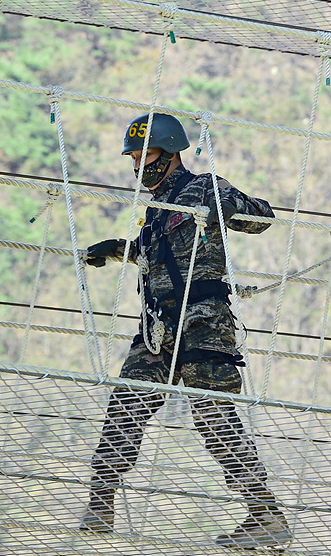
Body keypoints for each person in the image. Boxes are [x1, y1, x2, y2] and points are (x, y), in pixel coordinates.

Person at [79, 113, 291, 548]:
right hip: (158, 327)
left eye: (148, 155)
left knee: (214, 418)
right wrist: (119, 250)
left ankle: (266, 514)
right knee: (126, 406)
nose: (140, 166)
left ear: (172, 152)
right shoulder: (156, 210)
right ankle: (100, 503)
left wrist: (225, 207)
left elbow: (262, 217)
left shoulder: (203, 187)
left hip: (203, 323)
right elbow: (159, 257)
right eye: (134, 159)